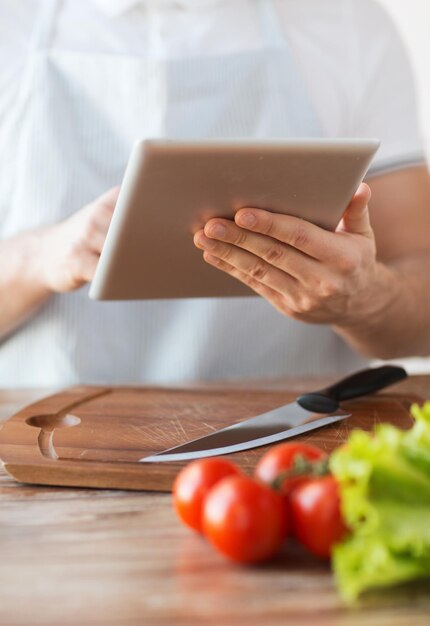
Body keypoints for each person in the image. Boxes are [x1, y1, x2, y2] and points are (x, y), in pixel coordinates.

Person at [0, 0, 429, 388]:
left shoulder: (347, 24)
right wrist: (36, 258)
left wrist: (363, 299)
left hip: (293, 449)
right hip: (40, 446)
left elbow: (422, 304)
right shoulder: (13, 23)